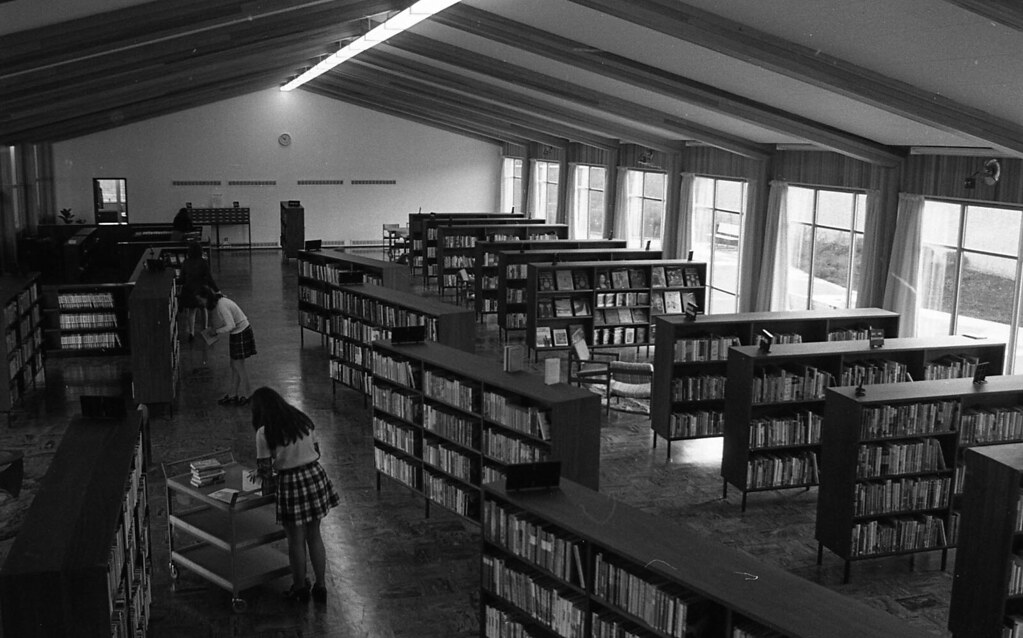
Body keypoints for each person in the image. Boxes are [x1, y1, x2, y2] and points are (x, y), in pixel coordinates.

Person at [250, 386, 339, 602]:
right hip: (315, 476)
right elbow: (317, 451)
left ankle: (299, 588)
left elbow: (265, 470)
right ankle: (321, 586)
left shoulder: (264, 432)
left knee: (295, 540)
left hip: (291, 482)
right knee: (315, 535)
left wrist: (260, 473)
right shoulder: (302, 420)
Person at [197, 285, 255, 405]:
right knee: (234, 365)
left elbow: (231, 325)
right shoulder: (219, 303)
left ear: (206, 297)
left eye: (201, 300)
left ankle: (248, 395)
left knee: (239, 366)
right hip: (238, 332)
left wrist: (216, 331)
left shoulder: (221, 305)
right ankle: (233, 394)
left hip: (241, 332)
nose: (201, 303)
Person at [178, 242, 217, 343]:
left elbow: (182, 278)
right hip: (201, 290)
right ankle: (205, 330)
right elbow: (209, 278)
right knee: (203, 309)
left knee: (192, 311)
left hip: (189, 290)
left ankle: (191, 333)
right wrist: (216, 289)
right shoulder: (203, 262)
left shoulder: (186, 262)